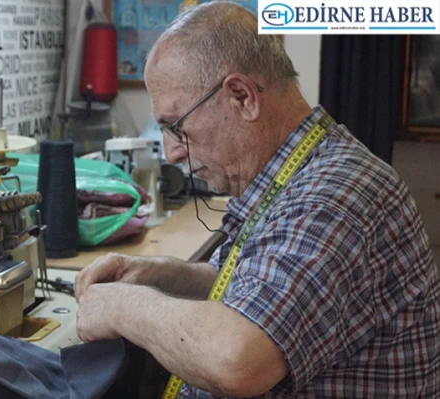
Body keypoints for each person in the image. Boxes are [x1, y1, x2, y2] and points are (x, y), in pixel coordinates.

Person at [74, 1, 440, 398]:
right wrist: (155, 275)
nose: (172, 153)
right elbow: (245, 287)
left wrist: (122, 307)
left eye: (176, 127)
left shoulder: (333, 197)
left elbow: (237, 360)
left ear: (243, 97)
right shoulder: (291, 176)